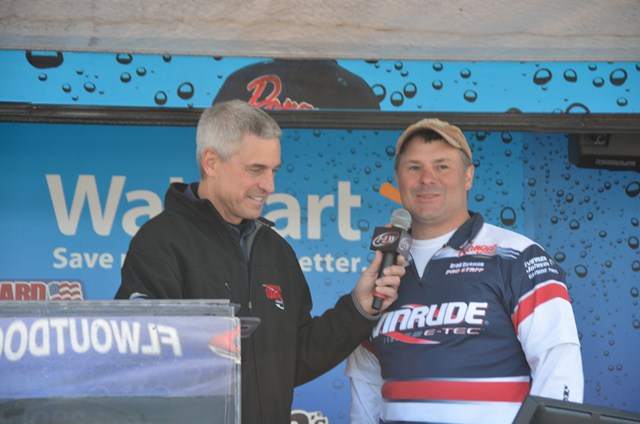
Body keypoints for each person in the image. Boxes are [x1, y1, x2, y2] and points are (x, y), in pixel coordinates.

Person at [114, 100, 405, 424]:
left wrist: (358, 308)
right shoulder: (160, 243)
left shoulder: (276, 251)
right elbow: (139, 365)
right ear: (211, 162)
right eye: (256, 170)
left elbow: (294, 358)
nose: (269, 186)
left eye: (273, 170)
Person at [345, 118, 584, 424]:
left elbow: (558, 364)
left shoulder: (517, 256)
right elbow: (365, 382)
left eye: (442, 166)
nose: (426, 179)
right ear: (398, 177)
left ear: (468, 176)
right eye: (414, 167)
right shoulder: (384, 271)